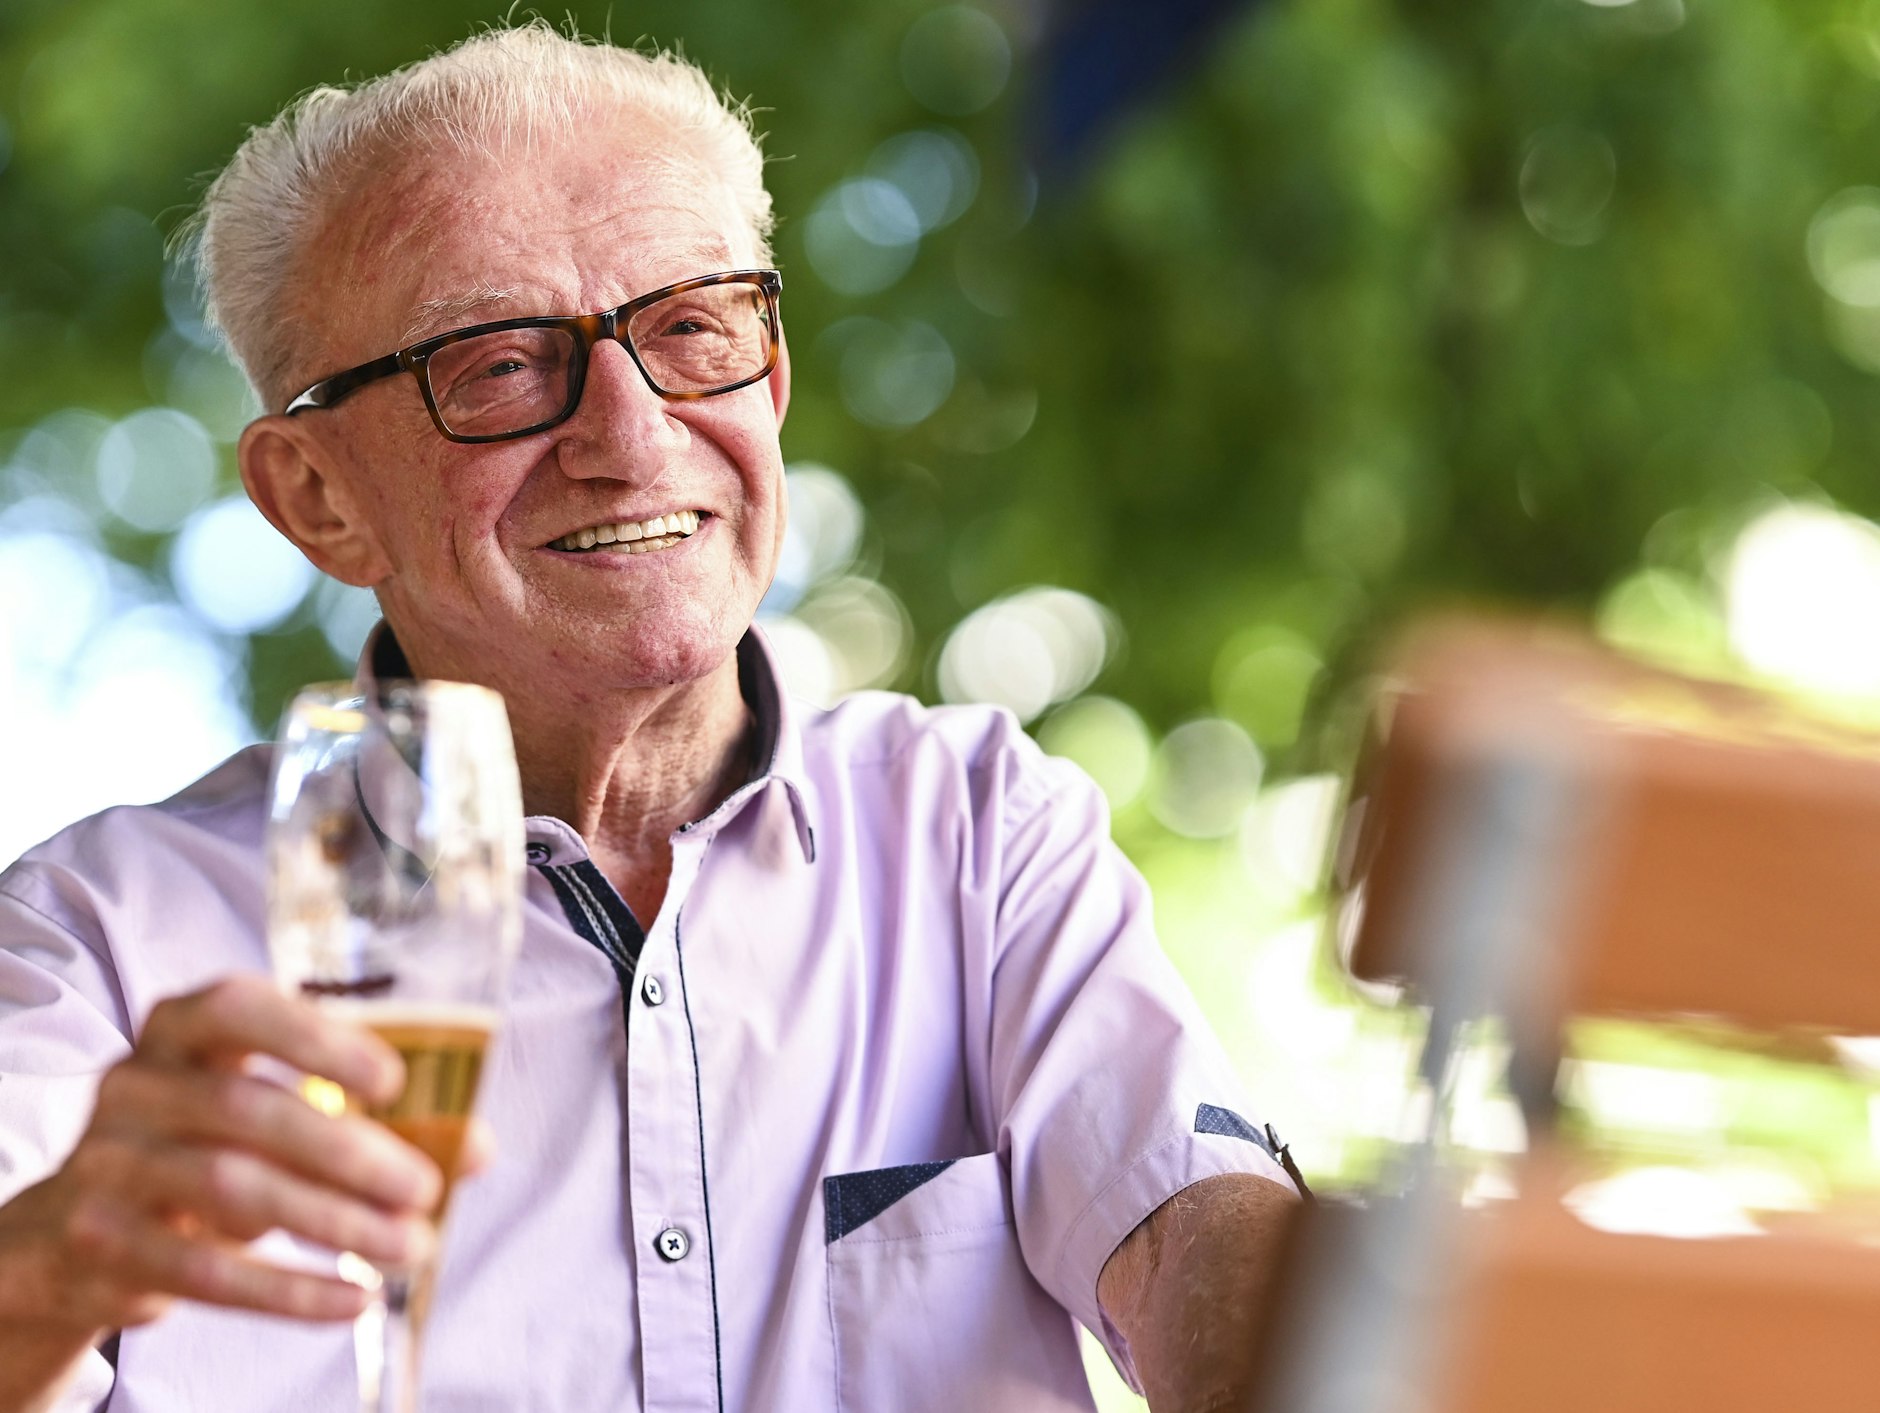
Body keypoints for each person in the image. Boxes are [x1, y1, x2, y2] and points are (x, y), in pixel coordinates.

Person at [0, 23, 1300, 1412]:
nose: (630, 436)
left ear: (773, 375)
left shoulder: (972, 829)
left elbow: (1198, 1227)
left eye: (692, 328)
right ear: (317, 495)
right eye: (497, 364)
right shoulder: (108, 942)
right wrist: (39, 1288)